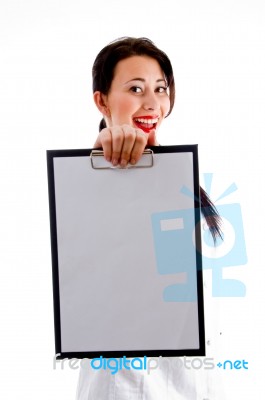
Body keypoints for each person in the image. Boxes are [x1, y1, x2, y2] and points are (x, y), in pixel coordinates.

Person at [76, 36, 225, 400]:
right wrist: (108, 148)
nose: (152, 102)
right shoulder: (93, 178)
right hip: (127, 384)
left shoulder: (176, 174)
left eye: (160, 88)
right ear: (102, 100)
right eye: (135, 88)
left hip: (193, 381)